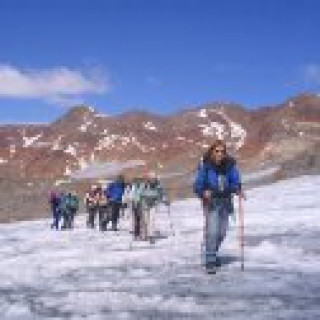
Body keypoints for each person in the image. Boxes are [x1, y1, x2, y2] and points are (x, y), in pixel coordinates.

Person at [193, 139, 241, 273]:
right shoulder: (205, 165)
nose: (220, 153)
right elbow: (198, 184)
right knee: (212, 231)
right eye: (217, 151)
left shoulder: (230, 165)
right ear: (212, 151)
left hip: (225, 201)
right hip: (211, 202)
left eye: (222, 151)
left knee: (222, 233)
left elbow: (235, 180)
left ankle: (213, 253)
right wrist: (203, 192)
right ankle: (210, 260)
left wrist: (237, 189)